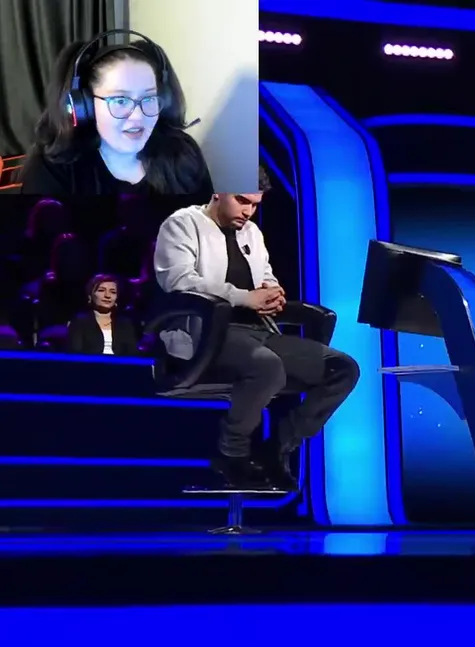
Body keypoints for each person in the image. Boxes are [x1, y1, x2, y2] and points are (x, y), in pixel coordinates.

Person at [152, 167, 360, 491]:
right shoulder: (182, 224)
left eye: (254, 204)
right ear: (218, 191)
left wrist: (272, 292)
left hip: (259, 332)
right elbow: (178, 281)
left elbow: (265, 276)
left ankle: (276, 447)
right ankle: (231, 453)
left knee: (343, 368)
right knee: (266, 366)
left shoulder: (252, 233)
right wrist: (243, 297)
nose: (248, 211)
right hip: (206, 335)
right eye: (242, 201)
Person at [18, 31, 213, 196]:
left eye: (149, 98)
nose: (138, 117)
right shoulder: (51, 170)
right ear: (84, 106)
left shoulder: (183, 153)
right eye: (120, 100)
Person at [67, 274, 139, 355]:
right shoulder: (80, 321)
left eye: (113, 292)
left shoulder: (125, 323)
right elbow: (75, 353)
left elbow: (133, 354)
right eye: (101, 290)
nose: (107, 295)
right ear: (90, 295)